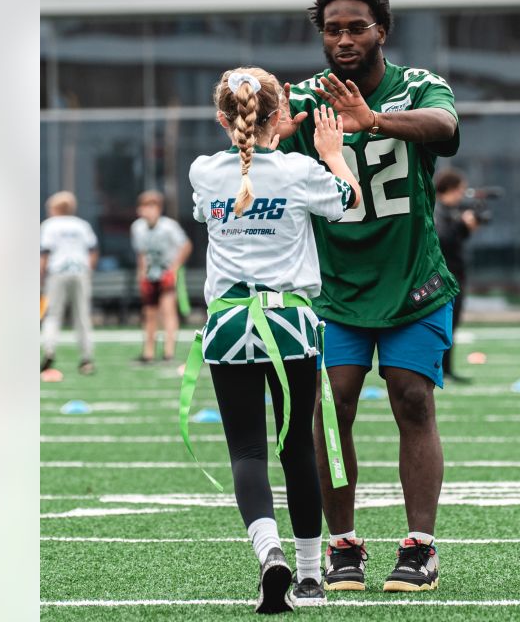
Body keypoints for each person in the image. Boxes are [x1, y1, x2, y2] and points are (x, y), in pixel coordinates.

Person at [276, 0, 460, 593]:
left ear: (382, 30)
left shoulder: (416, 87)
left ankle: (421, 545)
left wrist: (372, 121)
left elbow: (447, 129)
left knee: (413, 398)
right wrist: (265, 136)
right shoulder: (304, 98)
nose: (344, 39)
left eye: (357, 26)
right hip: (334, 286)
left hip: (411, 277)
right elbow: (255, 140)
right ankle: (344, 543)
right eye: (333, 29)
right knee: (333, 408)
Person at [184, 67, 362, 612]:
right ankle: (310, 576)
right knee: (297, 449)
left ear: (223, 118)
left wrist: (266, 140)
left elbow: (214, 205)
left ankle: (269, 553)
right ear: (280, 113)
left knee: (246, 450)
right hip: (289, 322)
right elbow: (350, 205)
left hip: (230, 322)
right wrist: (332, 153)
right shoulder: (300, 171)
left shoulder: (204, 171)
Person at [40, 191, 98, 375]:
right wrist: (89, 270)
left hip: (57, 272)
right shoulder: (82, 225)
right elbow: (93, 250)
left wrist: (40, 277)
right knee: (82, 315)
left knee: (52, 314)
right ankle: (86, 358)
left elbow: (45, 253)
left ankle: (49, 351)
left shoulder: (49, 225)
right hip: (80, 271)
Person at [131, 190, 192, 363]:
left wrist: (174, 269)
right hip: (151, 274)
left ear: (159, 209)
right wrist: (141, 275)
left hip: (166, 272)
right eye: (145, 207)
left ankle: (168, 352)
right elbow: (141, 253)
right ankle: (148, 352)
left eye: (152, 207)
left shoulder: (169, 226)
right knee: (149, 314)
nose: (148, 211)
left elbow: (186, 245)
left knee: (168, 312)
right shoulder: (137, 227)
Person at [433, 168, 479, 383]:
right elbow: (442, 240)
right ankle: (438, 368)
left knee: (452, 324)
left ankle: (447, 368)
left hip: (454, 274)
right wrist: (461, 224)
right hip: (444, 276)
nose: (462, 194)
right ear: (450, 189)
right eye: (460, 189)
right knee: (443, 324)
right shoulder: (437, 209)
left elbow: (455, 238)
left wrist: (466, 227)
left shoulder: (448, 210)